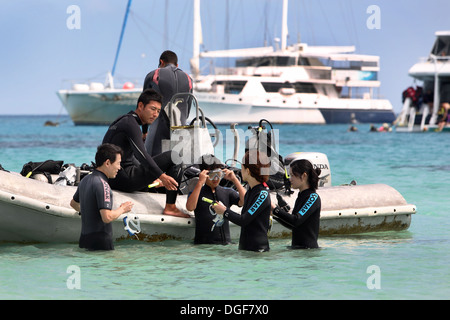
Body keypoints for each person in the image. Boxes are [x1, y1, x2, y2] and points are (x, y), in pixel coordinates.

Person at [102, 88, 189, 218]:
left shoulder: (123, 120)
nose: (155, 114)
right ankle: (170, 207)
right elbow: (141, 156)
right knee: (174, 156)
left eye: (159, 111)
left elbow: (132, 157)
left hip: (113, 177)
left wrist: (154, 176)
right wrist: (162, 177)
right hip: (123, 179)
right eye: (153, 109)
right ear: (141, 106)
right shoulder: (131, 125)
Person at [70, 143, 134, 251]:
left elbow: (74, 204)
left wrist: (91, 211)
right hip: (101, 245)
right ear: (108, 163)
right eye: (118, 163)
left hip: (85, 242)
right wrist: (122, 209)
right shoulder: (102, 184)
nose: (119, 167)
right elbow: (107, 217)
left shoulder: (85, 180)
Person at [214, 151, 272, 252]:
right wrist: (234, 179)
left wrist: (224, 211)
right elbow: (245, 201)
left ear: (248, 171)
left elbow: (243, 220)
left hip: (258, 252)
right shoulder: (252, 190)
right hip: (247, 251)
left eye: (242, 168)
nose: (241, 171)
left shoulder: (262, 194)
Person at [186, 154, 245, 245]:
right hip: (205, 247)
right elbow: (190, 207)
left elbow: (245, 201)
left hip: (226, 246)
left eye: (219, 174)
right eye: (212, 175)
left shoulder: (227, 192)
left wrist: (234, 180)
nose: (216, 179)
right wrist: (200, 182)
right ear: (204, 174)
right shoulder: (197, 193)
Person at [143, 50, 193, 156]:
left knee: (152, 165)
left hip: (158, 132)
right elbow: (187, 110)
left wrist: (144, 132)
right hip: (181, 131)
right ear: (177, 64)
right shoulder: (188, 79)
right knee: (179, 166)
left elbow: (143, 107)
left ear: (161, 62)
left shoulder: (153, 75)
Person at [271, 159, 322, 249]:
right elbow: (293, 225)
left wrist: (276, 210)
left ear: (304, 176)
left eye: (292, 175)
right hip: (298, 251)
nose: (290, 179)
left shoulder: (312, 197)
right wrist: (274, 214)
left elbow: (296, 220)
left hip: (308, 252)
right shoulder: (301, 196)